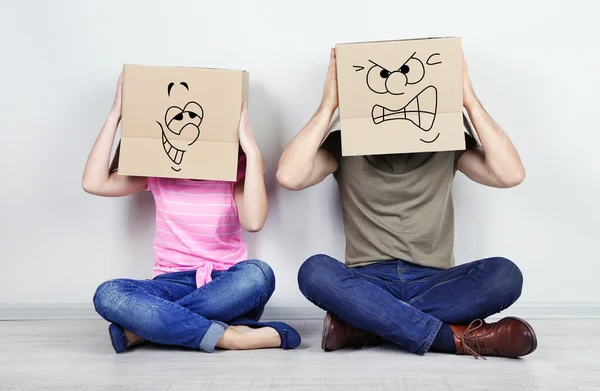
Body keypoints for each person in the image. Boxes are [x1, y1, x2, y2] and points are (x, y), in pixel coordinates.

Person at [276, 48, 536, 359]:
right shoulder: (343, 144)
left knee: (506, 275)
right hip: (368, 279)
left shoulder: (449, 140)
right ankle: (452, 338)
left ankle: (366, 325)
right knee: (314, 271)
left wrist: (467, 98)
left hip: (436, 281)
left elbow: (510, 175)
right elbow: (290, 176)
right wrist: (329, 105)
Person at [83, 74, 300, 353]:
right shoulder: (157, 172)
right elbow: (94, 182)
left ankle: (145, 330)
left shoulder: (236, 172)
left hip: (228, 286)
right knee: (108, 293)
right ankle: (228, 337)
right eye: (177, 119)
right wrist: (116, 115)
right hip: (171, 282)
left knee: (259, 274)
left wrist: (252, 152)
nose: (187, 125)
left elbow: (254, 222)